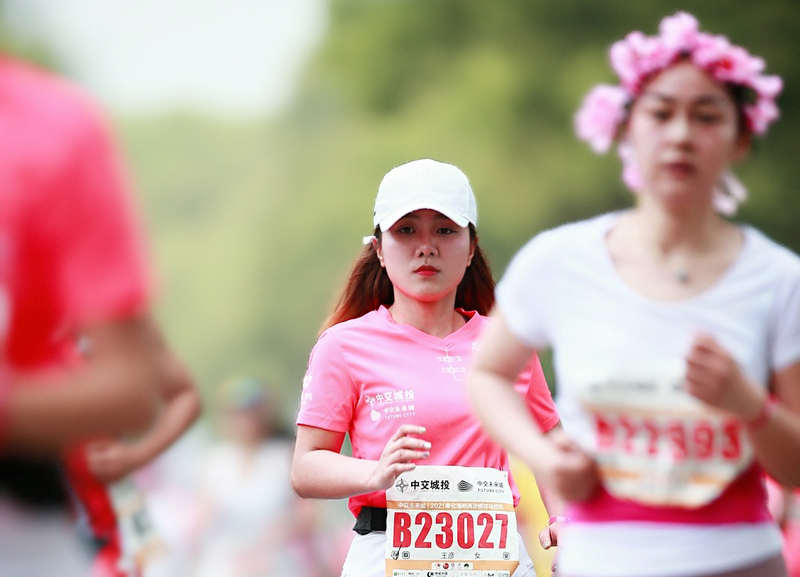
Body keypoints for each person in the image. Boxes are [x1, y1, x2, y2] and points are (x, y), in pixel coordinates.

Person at [467, 12, 799, 577]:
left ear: (741, 139)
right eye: (661, 113)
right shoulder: (559, 261)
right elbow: (488, 375)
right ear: (625, 129)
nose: (681, 135)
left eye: (707, 115)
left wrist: (749, 402)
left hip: (740, 561)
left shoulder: (779, 279)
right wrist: (547, 458)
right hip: (601, 561)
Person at [291, 158, 563, 577]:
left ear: (471, 248)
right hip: (387, 557)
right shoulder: (343, 346)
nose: (426, 247)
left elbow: (550, 442)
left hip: (498, 559)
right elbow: (306, 466)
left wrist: (564, 519)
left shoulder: (506, 343)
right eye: (406, 230)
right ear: (379, 249)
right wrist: (375, 472)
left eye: (445, 230)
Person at [0, 54, 192, 575]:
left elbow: (171, 393)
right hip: (62, 494)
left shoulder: (106, 314)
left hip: (85, 504)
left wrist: (136, 456)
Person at [192, 376, 326, 577]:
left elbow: (309, 514)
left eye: (249, 413)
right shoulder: (216, 462)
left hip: (278, 560)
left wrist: (277, 533)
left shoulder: (285, 457)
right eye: (237, 414)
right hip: (228, 561)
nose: (244, 421)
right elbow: (201, 518)